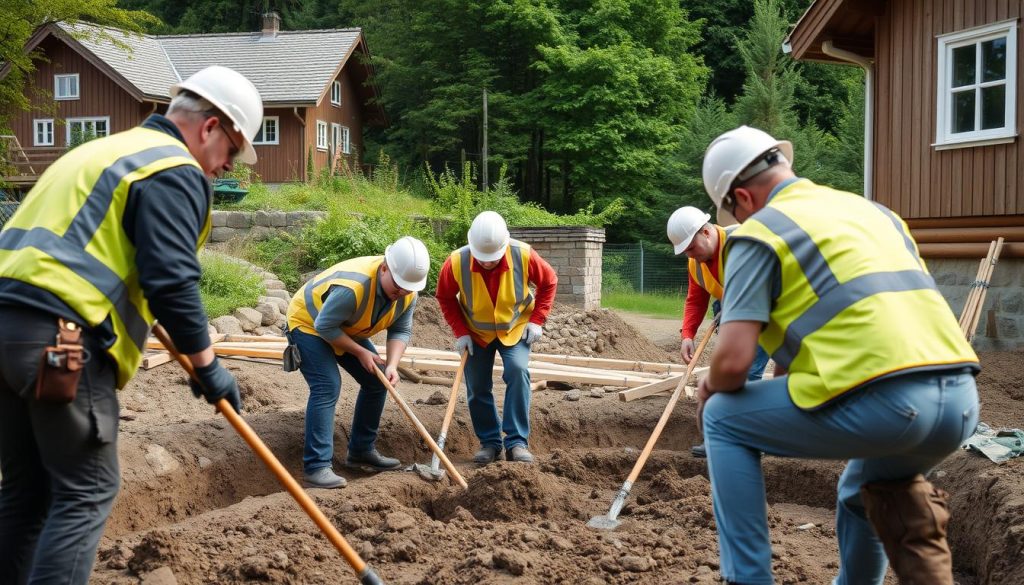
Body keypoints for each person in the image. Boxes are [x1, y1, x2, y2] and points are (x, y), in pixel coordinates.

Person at [0, 65, 261, 584]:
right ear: (209, 127)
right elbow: (171, 279)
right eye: (230, 152)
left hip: (9, 333)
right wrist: (208, 367)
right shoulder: (172, 168)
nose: (225, 168)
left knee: (26, 494)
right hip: (63, 340)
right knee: (86, 490)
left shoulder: (100, 152)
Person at [696, 125, 979, 585]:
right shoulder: (876, 213)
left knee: (722, 416)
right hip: (961, 404)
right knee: (859, 491)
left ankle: (747, 579)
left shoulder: (761, 233)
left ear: (741, 199)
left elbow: (731, 363)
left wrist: (710, 386)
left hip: (889, 404)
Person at [286, 236, 429, 488]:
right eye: (397, 286)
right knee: (327, 385)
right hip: (309, 323)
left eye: (407, 288)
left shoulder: (408, 293)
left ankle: (361, 450)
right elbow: (324, 326)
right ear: (384, 268)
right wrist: (361, 352)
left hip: (345, 326)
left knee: (377, 380)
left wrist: (392, 365)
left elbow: (400, 331)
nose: (401, 293)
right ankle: (317, 466)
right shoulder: (353, 289)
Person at [436, 211, 557, 465]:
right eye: (483, 259)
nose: (488, 262)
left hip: (515, 327)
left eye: (493, 258)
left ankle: (516, 443)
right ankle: (490, 443)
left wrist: (537, 320)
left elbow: (549, 282)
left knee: (517, 371)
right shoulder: (456, 262)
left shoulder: (522, 254)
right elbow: (445, 297)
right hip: (476, 332)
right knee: (478, 385)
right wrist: (460, 332)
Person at [666, 205, 770, 458]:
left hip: (766, 308)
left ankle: (746, 440)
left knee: (746, 374)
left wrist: (735, 309)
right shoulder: (696, 264)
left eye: (691, 247)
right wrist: (687, 335)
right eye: (685, 251)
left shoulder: (743, 242)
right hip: (730, 306)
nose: (689, 255)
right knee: (726, 372)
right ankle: (725, 438)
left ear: (706, 232)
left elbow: (764, 286)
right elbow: (695, 300)